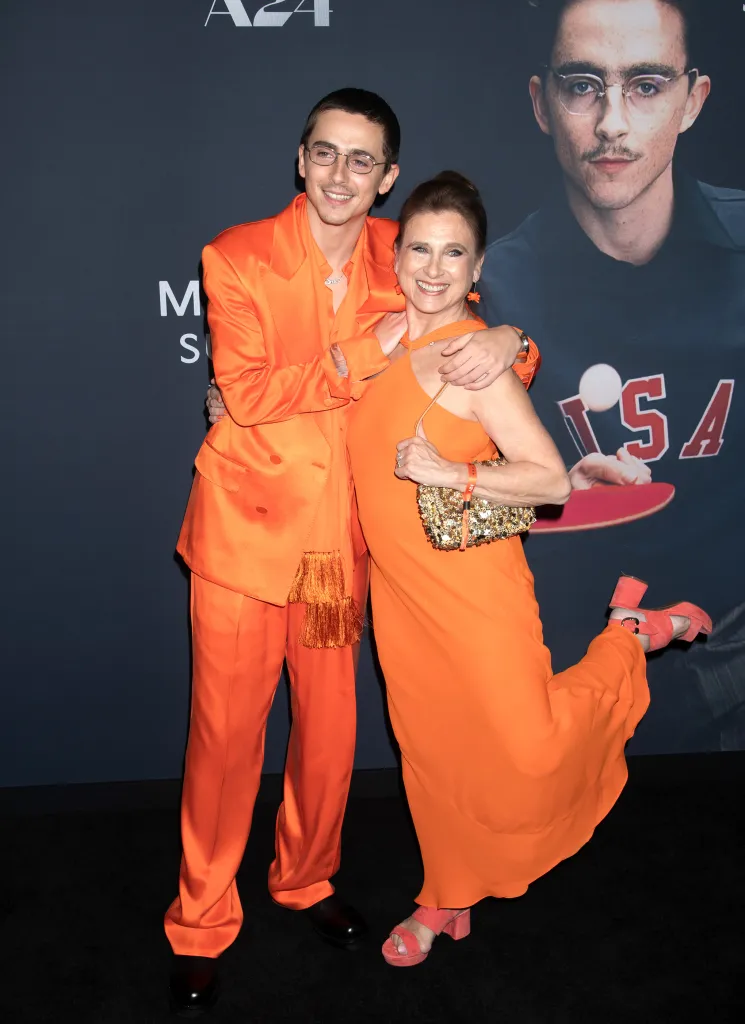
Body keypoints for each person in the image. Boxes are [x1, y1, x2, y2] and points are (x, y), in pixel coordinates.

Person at [168, 88, 536, 1014]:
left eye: (361, 161)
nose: (341, 175)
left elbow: (478, 347)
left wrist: (504, 337)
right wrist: (362, 353)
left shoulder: (399, 250)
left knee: (329, 738)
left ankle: (304, 879)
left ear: (388, 177)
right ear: (300, 159)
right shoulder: (237, 255)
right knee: (225, 742)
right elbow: (246, 395)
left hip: (339, 548)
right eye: (325, 154)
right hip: (244, 542)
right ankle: (203, 919)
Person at [344, 170, 711, 965]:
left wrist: (452, 473)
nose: (433, 267)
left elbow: (546, 477)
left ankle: (626, 638)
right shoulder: (373, 346)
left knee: (529, 748)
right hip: (400, 595)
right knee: (436, 759)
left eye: (454, 253)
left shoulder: (476, 362)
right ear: (395, 253)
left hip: (475, 588)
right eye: (419, 248)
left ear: (477, 270)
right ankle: (444, 899)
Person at [478, 0, 745, 752]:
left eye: (646, 84)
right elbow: (438, 514)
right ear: (541, 102)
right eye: (583, 85)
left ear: (692, 100)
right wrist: (545, 502)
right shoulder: (488, 291)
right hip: (562, 681)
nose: (612, 124)